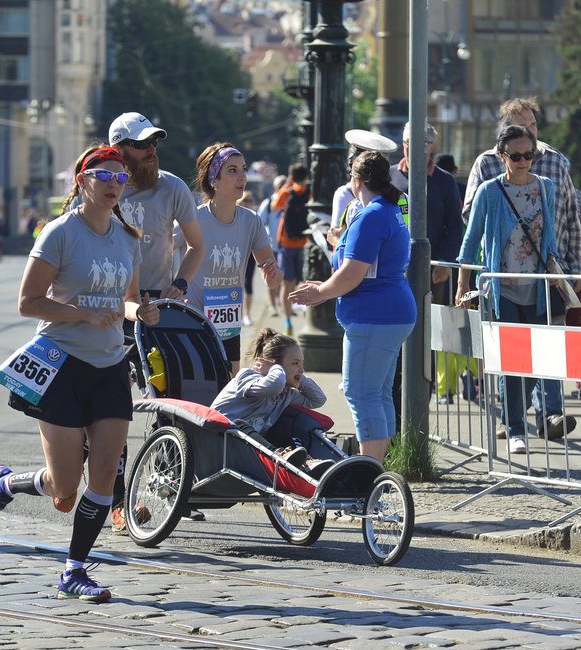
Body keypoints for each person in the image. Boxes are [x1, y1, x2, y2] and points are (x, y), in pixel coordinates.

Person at [0, 145, 159, 602]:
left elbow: (127, 300)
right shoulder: (60, 233)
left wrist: (141, 310)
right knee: (64, 487)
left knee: (102, 478)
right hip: (61, 365)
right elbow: (28, 302)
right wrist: (79, 313)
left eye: (121, 176)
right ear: (83, 181)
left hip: (111, 364)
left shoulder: (128, 237)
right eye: (106, 175)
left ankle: (74, 570)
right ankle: (3, 484)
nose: (116, 183)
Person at [462, 97, 581, 438]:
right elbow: (470, 215)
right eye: (521, 125)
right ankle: (512, 416)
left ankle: (550, 415)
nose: (528, 135)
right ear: (504, 134)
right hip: (504, 277)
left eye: (532, 125)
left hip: (549, 273)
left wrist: (575, 271)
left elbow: (570, 218)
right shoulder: (486, 165)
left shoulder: (555, 164)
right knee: (513, 351)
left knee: (548, 346)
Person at [108, 111, 205, 527]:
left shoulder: (172, 187)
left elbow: (195, 245)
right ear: (119, 150)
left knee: (169, 400)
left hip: (156, 311)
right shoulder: (103, 186)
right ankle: (114, 498)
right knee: (113, 408)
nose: (152, 152)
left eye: (154, 144)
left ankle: (169, 485)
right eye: (143, 145)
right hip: (110, 310)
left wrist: (180, 283)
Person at [289, 151, 415, 462]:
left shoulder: (371, 214)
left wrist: (318, 293)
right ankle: (377, 471)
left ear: (355, 181)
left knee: (361, 395)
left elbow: (351, 274)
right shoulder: (387, 208)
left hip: (374, 316)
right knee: (377, 395)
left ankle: (367, 475)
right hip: (389, 313)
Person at [455, 125, 560, 455]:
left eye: (529, 155)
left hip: (538, 286)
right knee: (514, 361)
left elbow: (549, 237)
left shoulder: (546, 188)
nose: (523, 162)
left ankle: (518, 407)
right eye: (516, 156)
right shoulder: (489, 191)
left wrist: (555, 268)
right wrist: (462, 286)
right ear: (502, 157)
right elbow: (470, 242)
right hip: (503, 289)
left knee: (537, 361)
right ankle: (516, 428)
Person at [390, 121, 467, 406]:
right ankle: (398, 391)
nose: (413, 149)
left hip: (433, 273)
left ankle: (426, 392)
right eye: (409, 142)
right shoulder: (390, 178)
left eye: (422, 143)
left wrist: (446, 262)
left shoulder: (445, 181)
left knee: (428, 334)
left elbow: (454, 229)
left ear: (432, 147)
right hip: (394, 272)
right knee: (397, 330)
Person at [191, 144, 280, 374]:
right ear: (214, 179)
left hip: (227, 321)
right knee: (197, 388)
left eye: (243, 169)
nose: (242, 177)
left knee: (227, 385)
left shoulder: (251, 220)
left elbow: (271, 277)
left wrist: (273, 275)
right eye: (232, 170)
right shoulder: (193, 219)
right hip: (193, 318)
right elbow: (163, 253)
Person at [210, 328, 331, 476]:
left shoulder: (286, 393)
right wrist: (276, 368)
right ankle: (279, 455)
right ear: (274, 366)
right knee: (238, 423)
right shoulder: (247, 376)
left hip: (251, 449)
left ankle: (304, 460)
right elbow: (273, 386)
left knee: (287, 422)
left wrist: (299, 378)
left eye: (301, 363)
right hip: (220, 442)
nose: (301, 369)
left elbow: (318, 399)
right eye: (295, 363)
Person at [272, 164, 311, 336]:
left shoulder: (286, 193)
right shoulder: (309, 193)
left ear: (291, 176)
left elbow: (274, 207)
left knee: (287, 284)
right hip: (303, 242)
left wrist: (287, 184)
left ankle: (287, 321)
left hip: (287, 243)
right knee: (304, 281)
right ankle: (305, 314)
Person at [257, 175, 286, 317]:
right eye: (280, 184)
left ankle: (282, 303)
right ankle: (272, 305)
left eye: (285, 183)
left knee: (285, 278)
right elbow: (258, 223)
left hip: (286, 245)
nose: (283, 186)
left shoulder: (290, 201)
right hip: (272, 246)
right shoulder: (269, 203)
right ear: (275, 187)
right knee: (271, 275)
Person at [237, 190, 262, 328]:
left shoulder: (253, 219)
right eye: (245, 201)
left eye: (250, 201)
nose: (247, 204)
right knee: (236, 285)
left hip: (251, 255)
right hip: (236, 256)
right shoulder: (235, 216)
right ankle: (238, 315)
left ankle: (247, 315)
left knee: (248, 284)